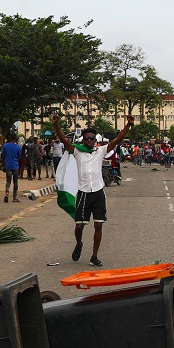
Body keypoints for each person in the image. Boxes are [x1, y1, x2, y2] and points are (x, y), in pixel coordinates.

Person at [52, 113, 134, 267]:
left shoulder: (101, 151)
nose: (89, 141)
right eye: (87, 138)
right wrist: (56, 125)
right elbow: (63, 139)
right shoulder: (77, 151)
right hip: (83, 193)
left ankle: (94, 256)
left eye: (92, 138)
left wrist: (128, 125)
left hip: (98, 192)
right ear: (83, 139)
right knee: (79, 226)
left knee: (98, 225)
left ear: (96, 140)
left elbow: (118, 139)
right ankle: (79, 243)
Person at [2, 134, 22, 202]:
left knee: (8, 181)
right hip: (15, 165)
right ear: (16, 139)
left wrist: (4, 165)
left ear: (10, 138)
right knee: (15, 182)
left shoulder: (5, 146)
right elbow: (19, 157)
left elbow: (3, 156)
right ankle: (14, 197)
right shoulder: (18, 147)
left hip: (8, 166)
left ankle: (7, 194)